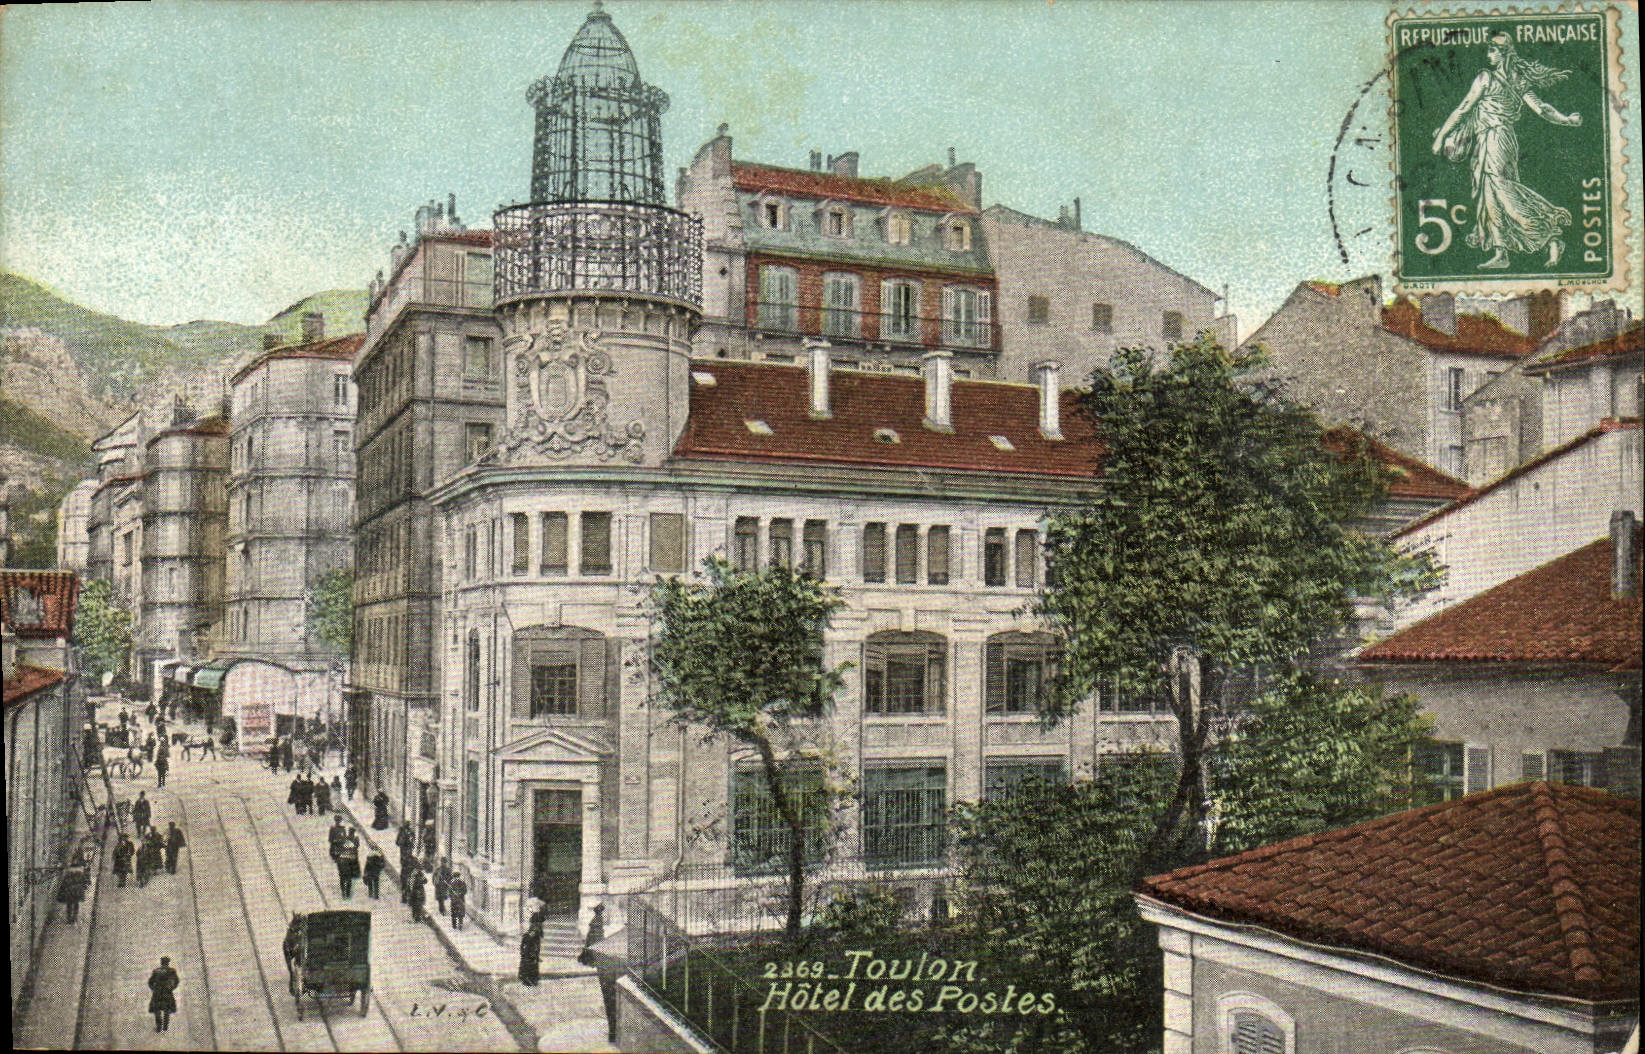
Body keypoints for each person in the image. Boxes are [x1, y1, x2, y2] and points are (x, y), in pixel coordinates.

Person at [1432, 30, 1583, 270]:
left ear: (1504, 54)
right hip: (1491, 140)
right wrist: (1566, 120)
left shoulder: (1487, 78)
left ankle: (1549, 231)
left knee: (1503, 192)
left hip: (1497, 139)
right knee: (1490, 194)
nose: (1488, 55)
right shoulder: (1517, 81)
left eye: (1492, 50)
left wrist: (1441, 137)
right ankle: (1501, 252)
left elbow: (1463, 109)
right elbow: (1542, 109)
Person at [147, 956, 180, 1033]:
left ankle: (159, 1026)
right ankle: (165, 1026)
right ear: (168, 963)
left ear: (161, 962)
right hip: (167, 992)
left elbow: (150, 982)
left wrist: (154, 989)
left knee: (157, 1009)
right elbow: (176, 981)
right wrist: (171, 987)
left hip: (157, 992)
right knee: (167, 1009)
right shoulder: (172, 971)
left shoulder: (156, 971)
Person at [58, 857, 90, 923]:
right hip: (78, 890)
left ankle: (69, 918)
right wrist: (84, 887)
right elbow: (84, 881)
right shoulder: (81, 872)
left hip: (69, 890)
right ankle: (74, 917)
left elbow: (64, 882)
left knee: (69, 904)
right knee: (76, 904)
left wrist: (62, 890)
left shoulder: (68, 873)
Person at [518, 919, 543, 986]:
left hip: (533, 955)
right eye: (533, 931)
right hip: (527, 954)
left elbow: (537, 947)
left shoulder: (536, 938)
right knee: (526, 966)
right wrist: (523, 952)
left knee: (533, 967)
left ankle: (533, 979)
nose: (534, 933)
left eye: (535, 931)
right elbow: (522, 945)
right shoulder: (526, 936)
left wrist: (536, 955)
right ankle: (525, 979)